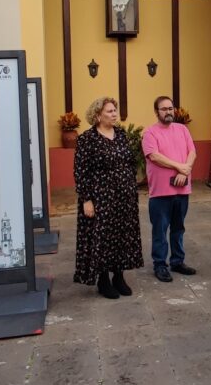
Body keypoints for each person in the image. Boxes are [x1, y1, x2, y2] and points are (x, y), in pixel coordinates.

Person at [73, 97, 143, 299]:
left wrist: (131, 184)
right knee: (103, 238)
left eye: (115, 110)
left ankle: (119, 277)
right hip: (100, 197)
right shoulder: (87, 139)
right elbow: (80, 171)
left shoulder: (121, 134)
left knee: (122, 235)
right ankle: (103, 280)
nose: (114, 114)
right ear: (97, 115)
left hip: (124, 196)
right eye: (110, 111)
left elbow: (130, 162)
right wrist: (86, 199)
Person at [142, 96, 197, 282]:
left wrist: (185, 170)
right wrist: (179, 167)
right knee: (160, 230)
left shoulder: (182, 129)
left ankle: (177, 261)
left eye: (170, 108)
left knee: (178, 228)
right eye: (164, 109)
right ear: (157, 112)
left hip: (182, 189)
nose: (168, 112)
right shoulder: (150, 133)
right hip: (160, 193)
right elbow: (154, 156)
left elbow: (192, 152)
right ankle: (160, 264)